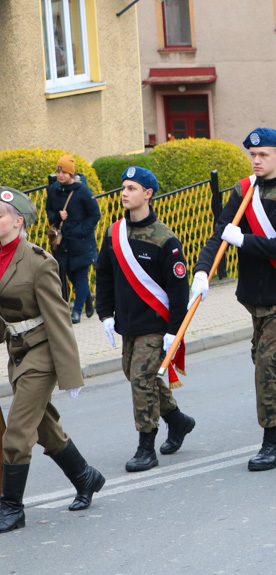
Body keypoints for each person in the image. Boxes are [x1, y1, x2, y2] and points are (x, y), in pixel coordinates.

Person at [192, 127, 276, 471]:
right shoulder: (243, 190)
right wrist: (201, 271)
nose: (256, 160)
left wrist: (245, 241)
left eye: (263, 155)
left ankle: (273, 444)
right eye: (252, 155)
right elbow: (220, 234)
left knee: (269, 368)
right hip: (253, 296)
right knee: (275, 363)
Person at [0, 187, 105, 533]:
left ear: (18, 222)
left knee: (17, 434)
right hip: (17, 351)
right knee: (45, 427)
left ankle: (12, 507)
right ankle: (85, 477)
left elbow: (59, 320)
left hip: (42, 353)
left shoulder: (38, 261)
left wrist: (70, 375)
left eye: (0, 215)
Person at [95, 167, 195, 472]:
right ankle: (178, 421)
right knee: (137, 375)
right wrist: (104, 314)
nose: (124, 193)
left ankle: (145, 447)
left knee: (141, 381)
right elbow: (104, 275)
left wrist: (173, 332)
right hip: (128, 323)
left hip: (155, 325)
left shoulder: (166, 239)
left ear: (148, 194)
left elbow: (179, 291)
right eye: (123, 188)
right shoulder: (114, 234)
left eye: (132, 188)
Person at [45, 154, 101, 323]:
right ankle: (87, 300)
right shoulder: (53, 190)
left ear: (71, 173)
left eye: (64, 172)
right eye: (58, 172)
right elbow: (49, 212)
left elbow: (94, 214)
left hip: (81, 241)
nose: (60, 175)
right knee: (70, 275)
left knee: (81, 274)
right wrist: (57, 216)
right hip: (63, 242)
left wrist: (81, 231)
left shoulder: (82, 191)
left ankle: (76, 312)